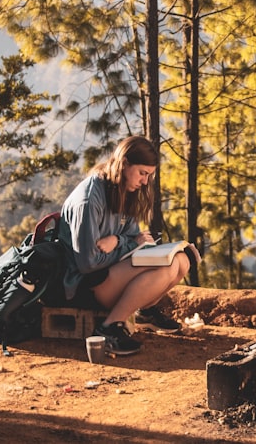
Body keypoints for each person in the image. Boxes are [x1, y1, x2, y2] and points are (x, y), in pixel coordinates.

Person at [56, 135, 199, 355]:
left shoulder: (122, 191)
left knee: (181, 260)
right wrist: (126, 243)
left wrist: (119, 241)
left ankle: (145, 311)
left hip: (110, 273)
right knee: (165, 268)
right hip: (85, 284)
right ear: (124, 164)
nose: (144, 182)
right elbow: (88, 263)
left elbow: (135, 239)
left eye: (149, 176)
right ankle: (107, 328)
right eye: (142, 173)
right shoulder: (89, 200)